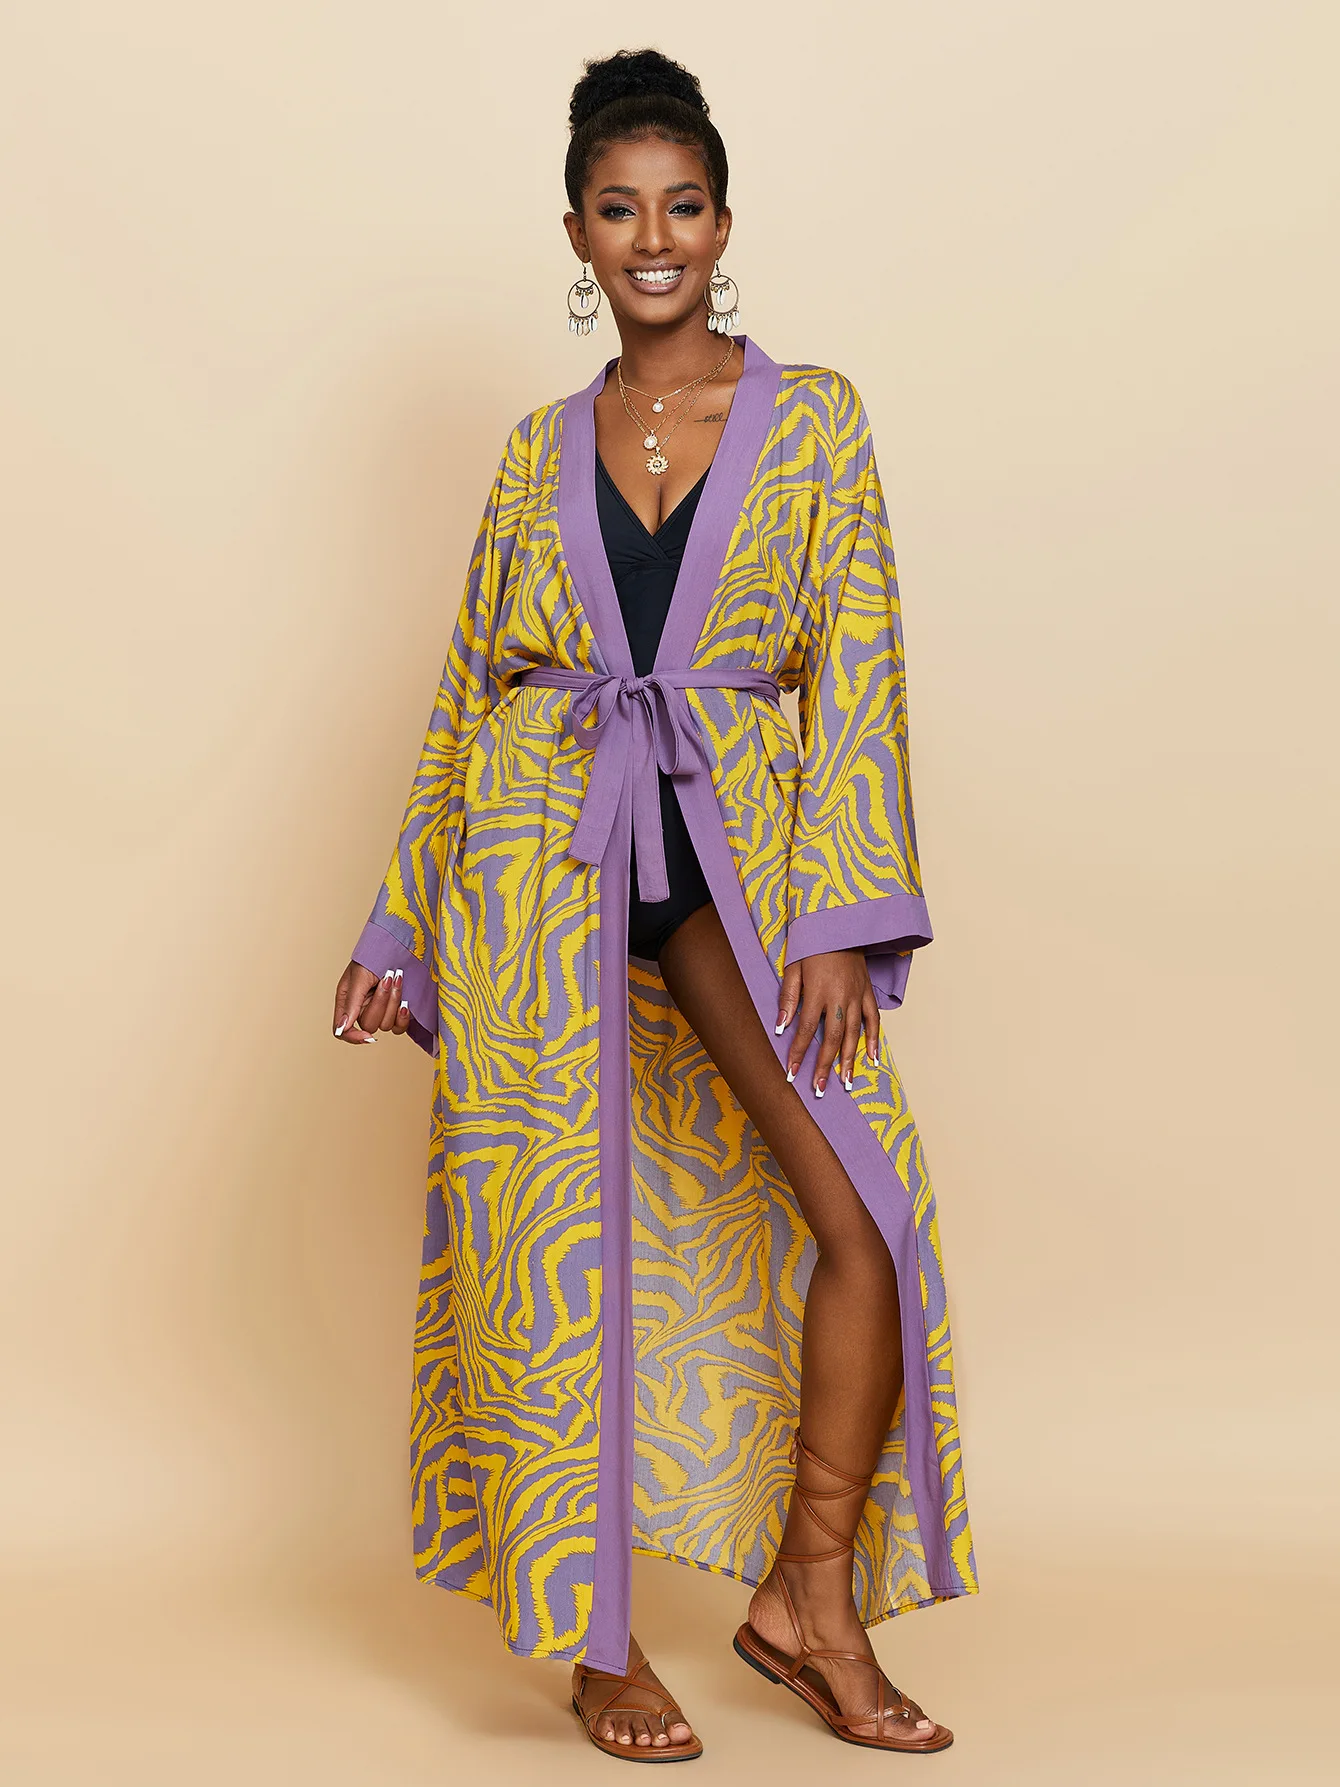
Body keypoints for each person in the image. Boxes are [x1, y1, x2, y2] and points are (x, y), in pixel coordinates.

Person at [332, 46, 975, 1762]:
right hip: (531, 862)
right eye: (619, 210)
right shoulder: (534, 450)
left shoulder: (813, 417)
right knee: (554, 1252)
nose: (654, 237)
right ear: (577, 236)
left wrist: (836, 916)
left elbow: (860, 664)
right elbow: (470, 689)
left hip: (730, 857)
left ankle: (807, 1596)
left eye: (682, 205)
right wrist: (399, 923)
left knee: (868, 1216)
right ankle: (598, 1643)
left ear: (724, 223)